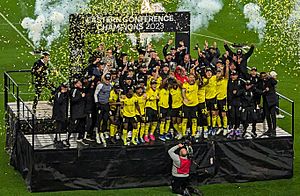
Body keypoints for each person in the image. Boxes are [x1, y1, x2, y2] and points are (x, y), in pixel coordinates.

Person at [94, 73, 112, 146]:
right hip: (100, 104)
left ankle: (102, 132)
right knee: (99, 120)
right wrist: (97, 103)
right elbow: (95, 94)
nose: (107, 81)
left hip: (106, 104)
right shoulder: (100, 85)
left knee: (105, 119)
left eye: (108, 79)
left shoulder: (111, 86)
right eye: (106, 79)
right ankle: (97, 134)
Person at [68, 79, 87, 146]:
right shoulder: (74, 90)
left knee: (82, 125)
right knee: (73, 125)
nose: (80, 84)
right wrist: (80, 96)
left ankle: (80, 138)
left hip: (82, 112)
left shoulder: (81, 90)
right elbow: (73, 100)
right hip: (76, 112)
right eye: (79, 83)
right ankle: (67, 138)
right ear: (75, 84)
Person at [261, 72, 278, 137]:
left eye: (265, 76)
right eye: (263, 76)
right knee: (267, 115)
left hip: (272, 100)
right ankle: (269, 129)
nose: (264, 77)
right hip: (265, 101)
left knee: (273, 115)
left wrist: (270, 77)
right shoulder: (262, 82)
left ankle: (274, 130)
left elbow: (275, 82)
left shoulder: (270, 80)